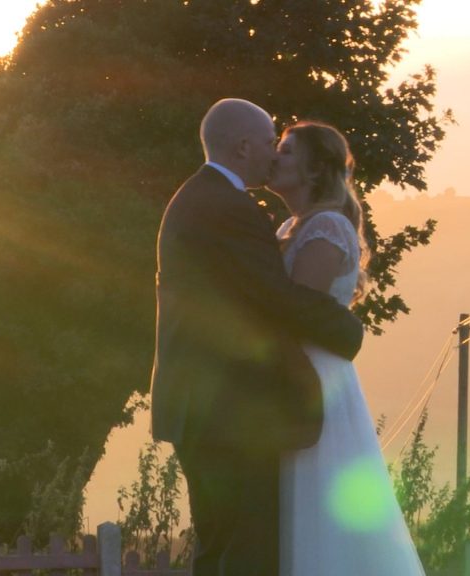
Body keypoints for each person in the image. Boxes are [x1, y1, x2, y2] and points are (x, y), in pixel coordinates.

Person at [150, 98, 364, 576]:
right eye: (271, 142)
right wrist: (348, 329)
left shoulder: (205, 198)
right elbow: (275, 297)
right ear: (244, 147)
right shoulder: (227, 207)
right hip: (225, 407)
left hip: (210, 404)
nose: (273, 154)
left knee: (225, 543)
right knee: (247, 547)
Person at [267, 121, 425, 575]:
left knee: (314, 504)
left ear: (316, 168)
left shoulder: (327, 226)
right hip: (297, 370)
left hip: (313, 379)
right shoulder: (293, 225)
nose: (275, 156)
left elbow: (295, 309)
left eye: (287, 150)